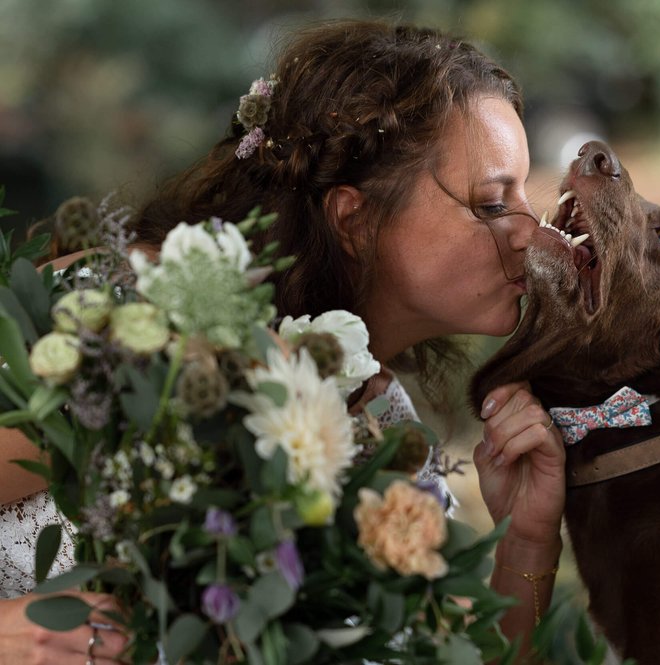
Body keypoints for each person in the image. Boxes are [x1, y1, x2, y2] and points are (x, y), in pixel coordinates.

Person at [0, 19, 564, 663]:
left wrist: (525, 539)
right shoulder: (127, 314)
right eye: (493, 204)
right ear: (355, 219)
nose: (532, 232)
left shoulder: (390, 437)